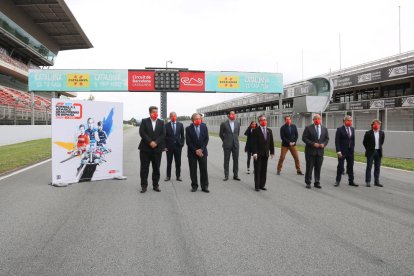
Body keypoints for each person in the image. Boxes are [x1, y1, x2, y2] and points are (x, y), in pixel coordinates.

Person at [138, 106, 166, 193]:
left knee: (156, 168)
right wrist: (150, 142)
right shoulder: (144, 121)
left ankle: (155, 185)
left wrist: (156, 142)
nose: (155, 114)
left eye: (156, 112)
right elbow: (142, 133)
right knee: (144, 169)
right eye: (154, 112)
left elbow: (163, 134)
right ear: (150, 113)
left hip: (157, 149)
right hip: (145, 149)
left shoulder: (161, 122)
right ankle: (144, 186)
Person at [302, 114, 329, 189]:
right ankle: (308, 182)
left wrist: (324, 144)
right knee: (309, 168)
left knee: (318, 168)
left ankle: (317, 182)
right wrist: (313, 144)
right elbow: (304, 138)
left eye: (319, 119)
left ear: (320, 120)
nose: (317, 120)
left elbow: (327, 139)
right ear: (313, 120)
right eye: (316, 119)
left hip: (320, 152)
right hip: (310, 152)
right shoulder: (308, 128)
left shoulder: (324, 128)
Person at [186, 113, 209, 193]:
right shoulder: (188, 129)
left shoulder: (204, 127)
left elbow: (206, 139)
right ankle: (194, 185)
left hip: (202, 152)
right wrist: (196, 150)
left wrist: (201, 150)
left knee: (204, 170)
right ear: (192, 120)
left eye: (199, 118)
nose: (198, 120)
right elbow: (188, 142)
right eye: (196, 119)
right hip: (192, 152)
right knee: (193, 170)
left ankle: (204, 186)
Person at [251, 115, 274, 191]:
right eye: (262, 120)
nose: (264, 121)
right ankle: (257, 186)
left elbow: (271, 142)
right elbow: (253, 143)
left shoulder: (269, 131)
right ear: (259, 121)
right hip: (257, 154)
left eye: (265, 120)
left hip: (265, 153)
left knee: (264, 170)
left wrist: (272, 152)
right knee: (257, 170)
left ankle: (262, 185)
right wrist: (254, 153)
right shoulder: (255, 131)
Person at [335, 115, 358, 187]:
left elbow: (353, 140)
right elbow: (337, 141)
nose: (350, 122)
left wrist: (353, 148)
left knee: (350, 166)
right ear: (344, 121)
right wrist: (338, 151)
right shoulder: (339, 129)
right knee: (340, 167)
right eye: (348, 120)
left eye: (351, 120)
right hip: (342, 151)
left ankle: (351, 181)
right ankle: (337, 181)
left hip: (350, 151)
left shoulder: (352, 129)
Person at [363, 119, 385, 187]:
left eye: (378, 124)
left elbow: (381, 142)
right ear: (372, 125)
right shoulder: (368, 133)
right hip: (371, 152)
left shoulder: (382, 133)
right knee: (369, 167)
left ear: (380, 125)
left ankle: (376, 182)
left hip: (378, 152)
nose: (377, 125)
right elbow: (364, 142)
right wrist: (368, 149)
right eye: (375, 124)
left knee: (377, 167)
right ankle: (368, 181)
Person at [219, 110, 241, 181]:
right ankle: (226, 175)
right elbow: (221, 134)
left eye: (234, 114)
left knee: (236, 160)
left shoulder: (237, 123)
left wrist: (234, 140)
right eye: (231, 114)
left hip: (235, 144)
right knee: (226, 160)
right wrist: (225, 140)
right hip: (227, 145)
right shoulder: (224, 124)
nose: (233, 115)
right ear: (228, 115)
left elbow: (237, 133)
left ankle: (235, 175)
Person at [164, 112, 185, 181]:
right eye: (172, 116)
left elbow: (182, 136)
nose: (173, 117)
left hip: (178, 147)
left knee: (178, 162)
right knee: (169, 162)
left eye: (175, 116)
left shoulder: (180, 125)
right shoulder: (166, 125)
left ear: (176, 116)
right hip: (169, 147)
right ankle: (168, 176)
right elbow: (164, 137)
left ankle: (178, 176)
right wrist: (164, 146)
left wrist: (181, 144)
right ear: (170, 117)